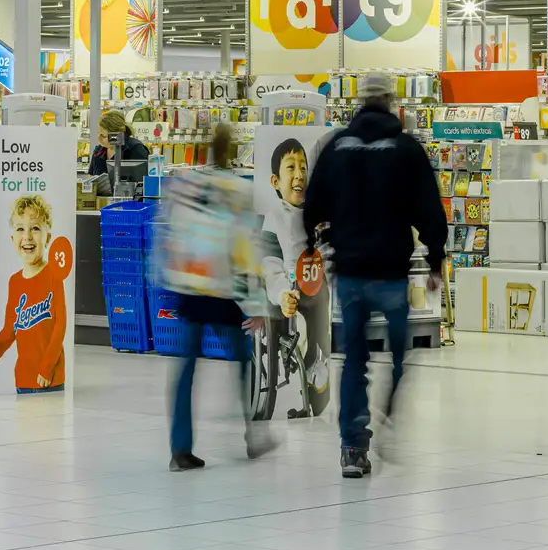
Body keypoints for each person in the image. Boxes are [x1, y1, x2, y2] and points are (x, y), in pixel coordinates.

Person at [303, 72, 446, 478]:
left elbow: (313, 203)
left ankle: (353, 446)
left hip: (350, 272)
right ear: (390, 103)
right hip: (391, 272)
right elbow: (429, 208)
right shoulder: (406, 149)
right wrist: (435, 261)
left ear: (360, 102)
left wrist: (314, 241)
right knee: (400, 353)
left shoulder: (337, 147)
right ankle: (389, 405)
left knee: (354, 361)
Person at [156, 122, 268, 471]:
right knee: (243, 361)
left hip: (189, 287)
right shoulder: (239, 191)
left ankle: (180, 450)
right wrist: (257, 304)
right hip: (222, 290)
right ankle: (253, 434)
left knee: (185, 369)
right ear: (233, 153)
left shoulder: (185, 184)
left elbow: (169, 232)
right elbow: (247, 248)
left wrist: (167, 276)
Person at [258, 136, 331, 419]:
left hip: (317, 290)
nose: (299, 174)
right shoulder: (274, 217)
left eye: (303, 167)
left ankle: (319, 367)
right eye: (291, 167)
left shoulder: (318, 215)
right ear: (276, 181)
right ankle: (310, 363)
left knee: (323, 310)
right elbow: (270, 264)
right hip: (289, 294)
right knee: (300, 320)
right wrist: (281, 294)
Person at [0, 193, 69, 392]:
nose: (28, 236)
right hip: (23, 378)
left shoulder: (54, 275)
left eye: (35, 228)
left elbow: (60, 327)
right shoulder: (14, 282)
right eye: (20, 229)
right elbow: (11, 327)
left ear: (48, 238)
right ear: (13, 238)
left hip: (50, 378)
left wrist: (47, 368)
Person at [88, 109, 150, 187]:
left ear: (116, 134)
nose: (99, 138)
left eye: (103, 136)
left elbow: (146, 182)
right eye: (98, 133)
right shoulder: (98, 151)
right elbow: (91, 179)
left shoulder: (135, 149)